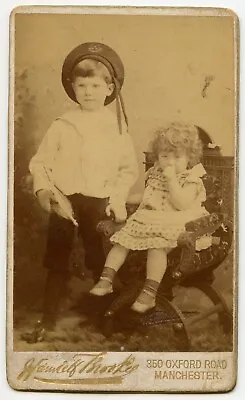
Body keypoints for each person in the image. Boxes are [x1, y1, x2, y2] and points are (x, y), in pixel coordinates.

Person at [28, 42, 138, 338]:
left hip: (99, 200)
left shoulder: (116, 127)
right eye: (81, 85)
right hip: (65, 198)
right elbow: (40, 162)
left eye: (95, 85)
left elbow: (126, 170)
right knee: (57, 258)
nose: (88, 92)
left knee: (98, 259)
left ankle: (103, 317)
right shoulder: (63, 125)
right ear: (72, 88)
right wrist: (44, 191)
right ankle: (47, 320)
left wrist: (116, 200)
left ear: (109, 88)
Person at [90, 122, 212, 313]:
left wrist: (172, 180)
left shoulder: (191, 179)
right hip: (149, 221)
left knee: (157, 248)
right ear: (158, 156)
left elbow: (182, 204)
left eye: (177, 157)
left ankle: (149, 293)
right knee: (121, 242)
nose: (169, 162)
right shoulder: (155, 174)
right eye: (164, 156)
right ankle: (106, 279)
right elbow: (146, 196)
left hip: (175, 224)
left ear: (190, 158)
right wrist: (121, 199)